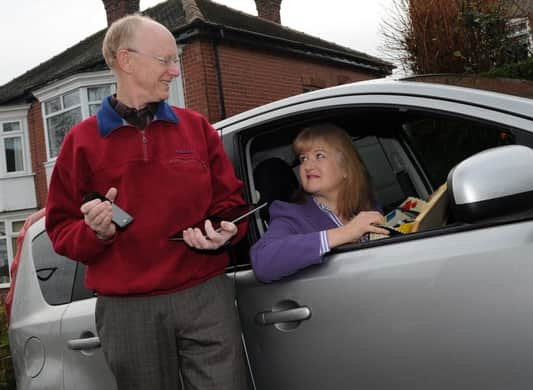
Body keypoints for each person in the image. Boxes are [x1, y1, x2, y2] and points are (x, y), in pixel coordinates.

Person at [45, 14, 249, 390]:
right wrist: (96, 232)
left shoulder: (197, 128)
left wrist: (228, 231)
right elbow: (60, 228)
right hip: (128, 309)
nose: (174, 70)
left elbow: (232, 205)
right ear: (126, 60)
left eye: (176, 60)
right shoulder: (80, 143)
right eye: (165, 60)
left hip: (204, 294)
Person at [250, 123, 389, 283]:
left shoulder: (368, 208)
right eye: (303, 158)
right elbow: (263, 262)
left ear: (346, 168)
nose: (307, 166)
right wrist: (346, 233)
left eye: (319, 155)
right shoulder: (290, 215)